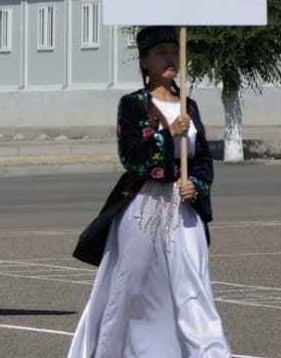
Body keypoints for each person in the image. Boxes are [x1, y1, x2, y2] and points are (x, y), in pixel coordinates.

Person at [67, 26, 229, 358]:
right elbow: (130, 156)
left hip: (184, 208)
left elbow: (202, 160)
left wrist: (195, 185)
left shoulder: (190, 105)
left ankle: (208, 352)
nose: (170, 58)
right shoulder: (133, 105)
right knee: (134, 284)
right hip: (143, 207)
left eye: (174, 51)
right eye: (161, 52)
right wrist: (167, 134)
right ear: (144, 60)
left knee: (192, 284)